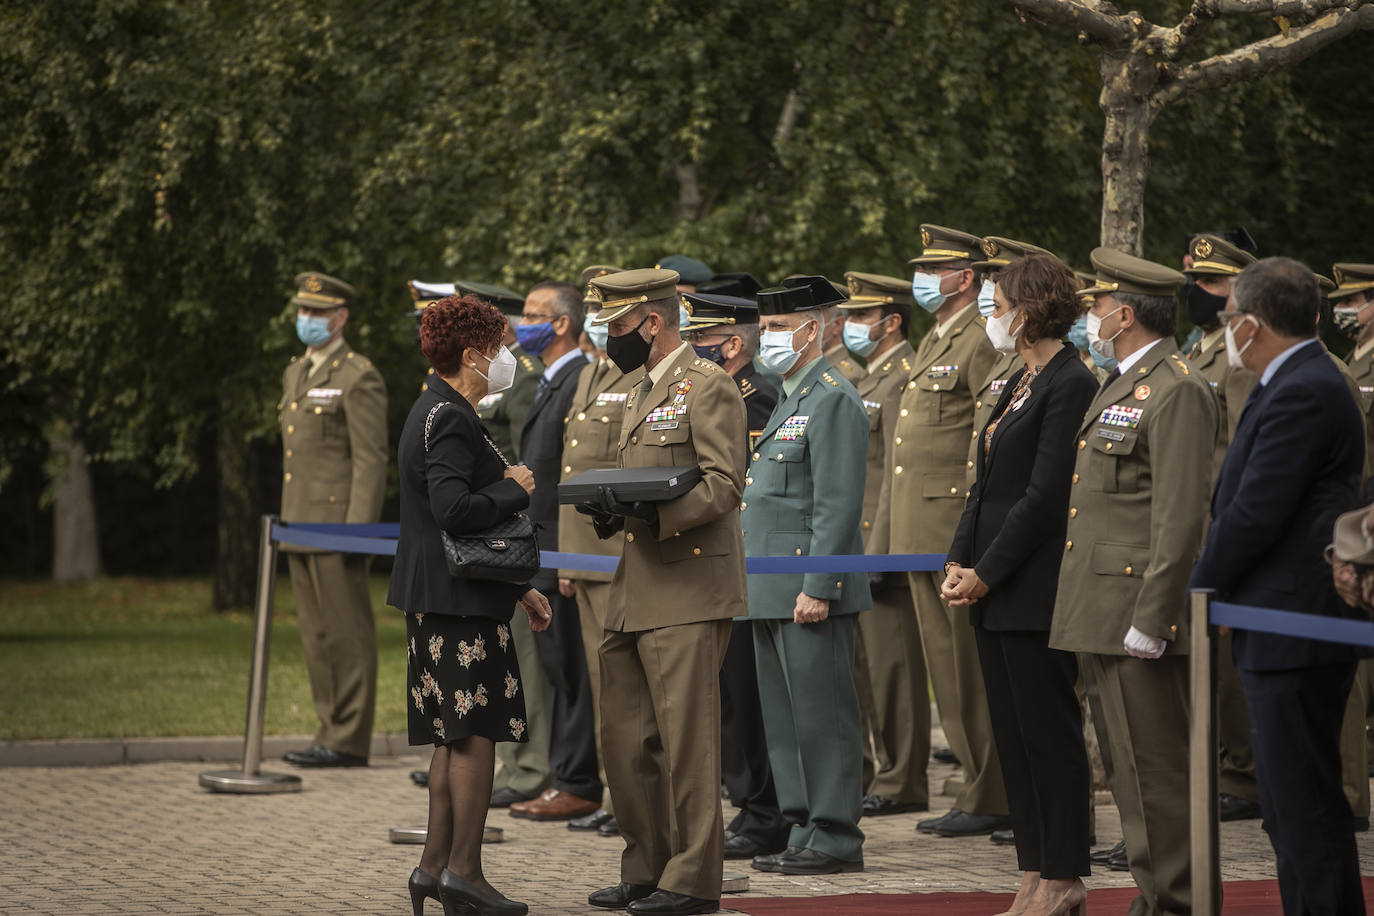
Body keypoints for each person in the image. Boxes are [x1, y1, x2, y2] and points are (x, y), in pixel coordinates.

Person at [1191, 257, 1369, 916]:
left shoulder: (1305, 388)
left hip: (1293, 624)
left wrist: (1201, 589)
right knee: (1290, 811)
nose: (1227, 330)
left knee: (1305, 811)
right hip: (1275, 619)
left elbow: (1255, 511)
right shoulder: (1292, 379)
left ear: (1253, 324)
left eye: (1232, 317)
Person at [1051, 247, 1218, 916]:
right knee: (1127, 771)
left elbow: (1180, 519)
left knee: (1158, 773)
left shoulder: (1176, 388)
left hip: (1136, 613)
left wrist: (1153, 617)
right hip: (1102, 605)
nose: (1091, 316)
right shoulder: (1121, 380)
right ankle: (1155, 895)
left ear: (1123, 314)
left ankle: (1175, 900)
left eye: (1097, 305)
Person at [580, 267, 747, 916]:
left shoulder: (708, 387)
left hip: (688, 586)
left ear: (653, 323)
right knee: (624, 742)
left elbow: (723, 484)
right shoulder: (637, 388)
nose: (610, 338)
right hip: (635, 587)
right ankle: (645, 866)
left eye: (618, 326)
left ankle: (692, 881)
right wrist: (611, 508)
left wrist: (656, 516)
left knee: (687, 746)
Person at [387, 293, 554, 916]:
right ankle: (465, 873)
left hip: (445, 598)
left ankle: (433, 868)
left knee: (451, 738)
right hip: (457, 607)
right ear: (471, 356)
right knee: (475, 736)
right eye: (498, 350)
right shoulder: (451, 416)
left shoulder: (434, 406)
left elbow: (448, 529)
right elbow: (453, 512)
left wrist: (519, 587)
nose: (506, 359)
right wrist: (514, 489)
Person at [942, 254, 1098, 916]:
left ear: (1030, 311)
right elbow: (987, 483)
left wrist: (987, 571)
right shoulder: (1018, 381)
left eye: (998, 306)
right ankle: (1033, 870)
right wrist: (957, 558)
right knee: (1013, 739)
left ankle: (1064, 874)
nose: (992, 318)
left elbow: (1043, 497)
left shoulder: (1071, 382)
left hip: (1033, 587)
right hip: (993, 587)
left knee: (1048, 736)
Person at [742, 276, 871, 877]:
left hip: (806, 587)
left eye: (775, 329)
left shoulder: (832, 396)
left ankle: (836, 834)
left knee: (823, 717)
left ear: (812, 330)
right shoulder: (792, 395)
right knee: (787, 719)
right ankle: (801, 825)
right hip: (768, 588)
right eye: (764, 327)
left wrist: (820, 585)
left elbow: (837, 505)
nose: (764, 338)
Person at [890, 224, 1009, 838]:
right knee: (947, 668)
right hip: (920, 524)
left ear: (965, 279)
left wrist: (971, 527)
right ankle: (973, 780)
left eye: (933, 271)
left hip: (951, 526)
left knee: (967, 669)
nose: (923, 281)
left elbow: (980, 437)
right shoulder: (938, 335)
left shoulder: (977, 340)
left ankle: (990, 788)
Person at [680, 290, 791, 861]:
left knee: (749, 694)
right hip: (717, 562)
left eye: (699, 338)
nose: (689, 345)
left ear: (731, 343)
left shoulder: (759, 395)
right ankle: (750, 802)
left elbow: (757, 484)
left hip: (751, 561)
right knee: (729, 691)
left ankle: (766, 811)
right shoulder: (712, 390)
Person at [278, 272, 388, 769]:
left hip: (338, 524)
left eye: (317, 313)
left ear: (340, 318)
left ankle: (348, 738)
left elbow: (370, 459)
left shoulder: (357, 374)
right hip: (298, 522)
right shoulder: (297, 371)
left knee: (346, 633)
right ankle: (328, 729)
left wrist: (358, 531)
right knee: (316, 635)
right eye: (303, 312)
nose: (307, 320)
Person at [506, 281, 604, 823]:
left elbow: (572, 475)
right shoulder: (551, 380)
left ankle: (578, 781)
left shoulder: (574, 381)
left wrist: (569, 554)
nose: (522, 323)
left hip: (561, 548)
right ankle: (569, 777)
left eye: (531, 314)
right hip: (541, 545)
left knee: (569, 669)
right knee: (560, 667)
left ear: (561, 323)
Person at [835, 270, 930, 818]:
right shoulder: (862, 376)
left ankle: (903, 777)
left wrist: (884, 551)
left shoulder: (903, 375)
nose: (848, 326)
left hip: (881, 544)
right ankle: (876, 771)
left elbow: (897, 474)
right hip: (851, 543)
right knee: (863, 670)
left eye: (860, 317)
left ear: (891, 322)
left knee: (893, 668)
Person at [559, 266, 636, 839]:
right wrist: (565, 558)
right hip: (583, 558)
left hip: (616, 552)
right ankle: (615, 794)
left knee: (625, 685)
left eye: (604, 308)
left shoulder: (635, 377)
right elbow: (572, 473)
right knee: (598, 678)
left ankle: (629, 797)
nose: (596, 319)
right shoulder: (590, 373)